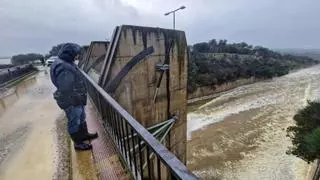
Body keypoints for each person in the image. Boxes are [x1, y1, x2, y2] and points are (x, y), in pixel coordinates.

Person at [50, 43, 98, 150]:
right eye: (76, 54)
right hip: (72, 101)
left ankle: (84, 135)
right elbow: (66, 88)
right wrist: (76, 96)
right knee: (74, 121)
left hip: (77, 99)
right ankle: (78, 143)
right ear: (70, 54)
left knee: (81, 118)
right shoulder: (64, 67)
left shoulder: (65, 62)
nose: (77, 56)